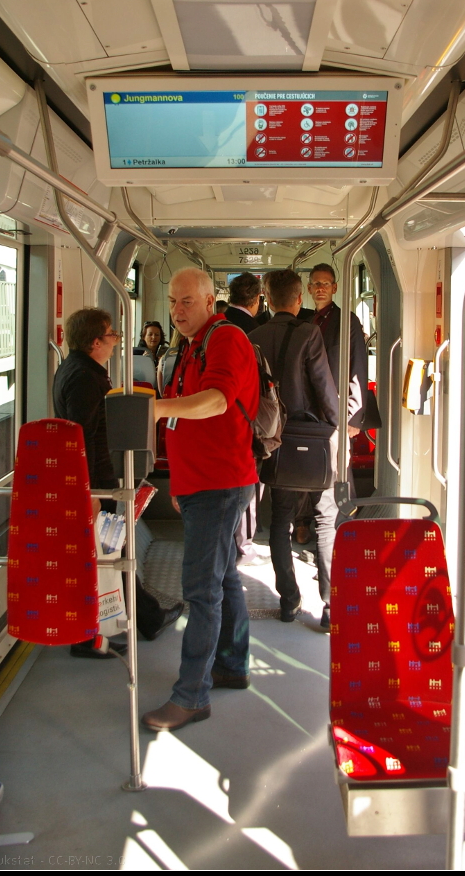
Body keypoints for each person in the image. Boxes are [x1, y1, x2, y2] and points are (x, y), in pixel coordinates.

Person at [141, 268, 260, 732]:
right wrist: (181, 486)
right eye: (172, 302)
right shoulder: (192, 345)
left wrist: (157, 407)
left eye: (187, 302)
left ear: (211, 300)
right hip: (201, 484)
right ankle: (231, 663)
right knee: (223, 577)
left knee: (201, 592)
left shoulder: (225, 338)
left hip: (218, 483)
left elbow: (216, 401)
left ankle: (192, 696)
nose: (177, 311)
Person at [53, 308, 183, 659]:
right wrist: (91, 492)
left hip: (98, 480)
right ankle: (136, 623)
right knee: (111, 556)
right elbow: (78, 439)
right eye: (111, 335)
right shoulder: (84, 378)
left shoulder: (78, 369)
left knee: (111, 556)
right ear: (96, 341)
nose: (115, 340)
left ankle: (132, 622)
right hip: (96, 483)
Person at [250, 269, 339, 629]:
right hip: (312, 439)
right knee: (325, 520)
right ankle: (330, 605)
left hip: (275, 441)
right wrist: (334, 427)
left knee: (280, 520)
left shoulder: (253, 337)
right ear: (299, 298)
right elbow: (323, 385)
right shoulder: (310, 332)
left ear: (267, 300)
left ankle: (289, 600)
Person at [223, 272, 268, 565]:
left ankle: (228, 542)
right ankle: (245, 546)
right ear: (256, 300)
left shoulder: (217, 326)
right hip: (246, 416)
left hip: (219, 416)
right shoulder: (255, 331)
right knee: (249, 484)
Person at [306, 262, 369, 439]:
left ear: (334, 288)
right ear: (309, 288)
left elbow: (358, 367)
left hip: (339, 409)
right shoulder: (309, 323)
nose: (321, 288)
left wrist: (354, 416)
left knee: (339, 463)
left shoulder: (348, 321)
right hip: (312, 408)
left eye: (326, 284)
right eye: (316, 284)